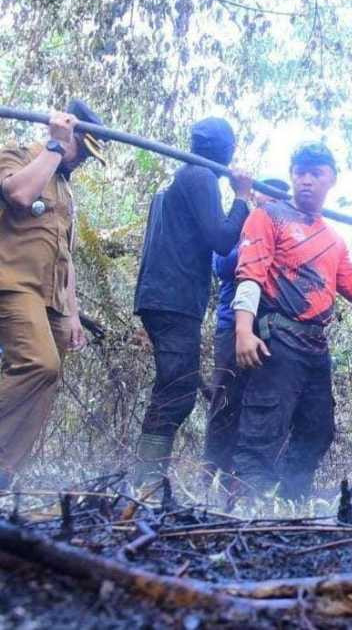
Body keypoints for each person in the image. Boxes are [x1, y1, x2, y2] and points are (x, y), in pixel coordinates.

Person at [231, 142, 352, 500]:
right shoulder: (268, 216)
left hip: (315, 348)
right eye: (301, 173)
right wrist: (243, 330)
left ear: (332, 180)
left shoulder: (334, 239)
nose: (307, 180)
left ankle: (289, 504)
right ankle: (249, 509)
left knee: (318, 429)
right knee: (263, 431)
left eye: (317, 174)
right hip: (277, 340)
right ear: (292, 176)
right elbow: (250, 273)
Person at [132, 117, 252, 485]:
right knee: (177, 392)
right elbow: (221, 238)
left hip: (165, 298)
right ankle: (145, 482)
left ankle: (146, 481)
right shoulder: (199, 176)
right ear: (226, 150)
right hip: (173, 300)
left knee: (175, 388)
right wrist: (242, 198)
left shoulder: (182, 180)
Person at [0, 100, 107, 489]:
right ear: (68, 134)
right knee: (39, 364)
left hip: (51, 299)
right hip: (12, 284)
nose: (84, 162)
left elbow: (66, 256)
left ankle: (5, 471)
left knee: (48, 376)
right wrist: (56, 145)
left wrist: (73, 313)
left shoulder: (64, 186)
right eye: (84, 151)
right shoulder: (23, 155)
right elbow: (18, 196)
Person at [204, 178, 289, 480]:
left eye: (274, 200)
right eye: (262, 198)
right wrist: (256, 243)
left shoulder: (288, 231)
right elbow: (223, 265)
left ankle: (244, 480)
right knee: (225, 401)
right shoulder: (242, 224)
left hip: (271, 331)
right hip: (233, 328)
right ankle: (211, 476)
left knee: (261, 406)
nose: (267, 204)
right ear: (254, 197)